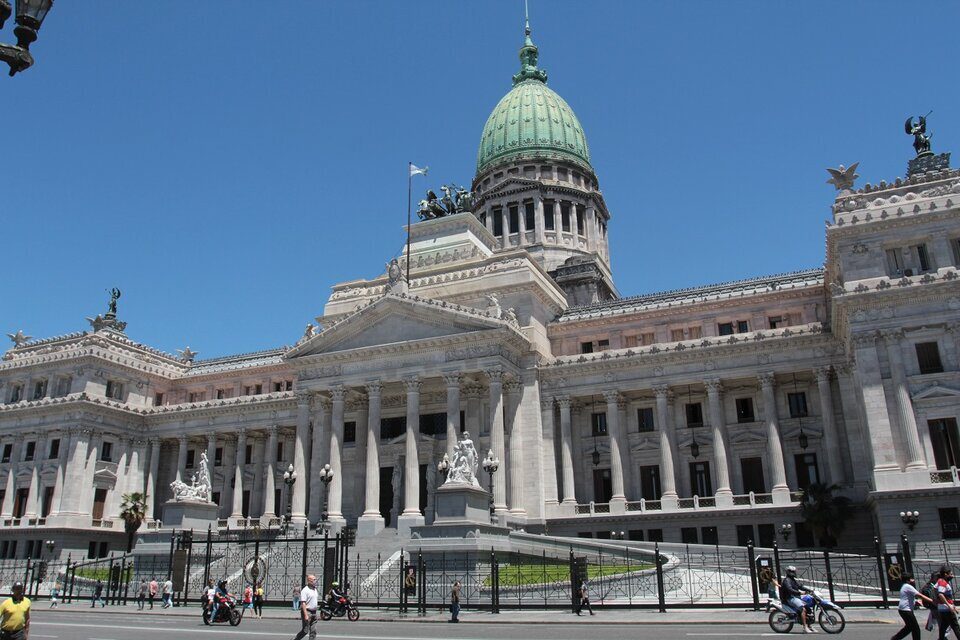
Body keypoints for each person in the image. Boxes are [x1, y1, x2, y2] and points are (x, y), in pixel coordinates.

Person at [892, 573, 933, 640]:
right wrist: (932, 601)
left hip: (903, 610)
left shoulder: (905, 586)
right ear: (908, 580)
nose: (913, 580)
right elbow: (919, 595)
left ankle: (895, 639)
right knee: (916, 628)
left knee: (909, 627)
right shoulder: (908, 586)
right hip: (906, 610)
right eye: (911, 579)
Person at [779, 566, 813, 633]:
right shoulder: (786, 581)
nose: (794, 573)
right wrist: (800, 592)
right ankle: (805, 627)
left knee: (808, 607)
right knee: (803, 609)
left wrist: (809, 590)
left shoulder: (793, 580)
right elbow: (790, 589)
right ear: (789, 572)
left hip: (795, 597)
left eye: (794, 571)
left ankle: (809, 626)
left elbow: (800, 586)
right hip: (789, 598)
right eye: (793, 571)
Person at [291, 574, 319, 640]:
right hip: (307, 612)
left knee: (313, 631)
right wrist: (306, 615)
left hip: (314, 612)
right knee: (305, 630)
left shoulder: (314, 589)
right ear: (309, 581)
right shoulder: (305, 590)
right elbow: (303, 603)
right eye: (314, 579)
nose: (315, 581)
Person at [937, 565, 960, 640]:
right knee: (956, 626)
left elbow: (947, 596)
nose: (952, 576)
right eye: (951, 574)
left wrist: (953, 606)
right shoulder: (943, 582)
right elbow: (940, 594)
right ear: (945, 574)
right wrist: (949, 605)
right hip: (947, 609)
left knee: (943, 626)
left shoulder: (940, 581)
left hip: (943, 608)